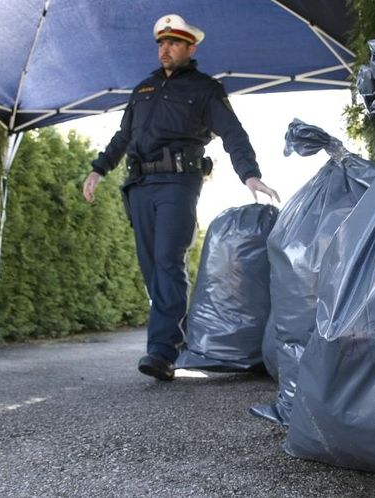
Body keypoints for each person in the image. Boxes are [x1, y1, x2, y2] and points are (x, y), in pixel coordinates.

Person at [82, 14, 279, 381]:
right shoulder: (143, 89)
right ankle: (181, 337)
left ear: (191, 47)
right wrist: (98, 169)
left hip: (179, 182)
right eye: (161, 43)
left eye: (173, 43)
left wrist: (249, 174)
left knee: (168, 260)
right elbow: (122, 137)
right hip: (139, 186)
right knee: (152, 269)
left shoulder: (205, 89)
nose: (165, 49)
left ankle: (161, 351)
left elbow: (233, 133)